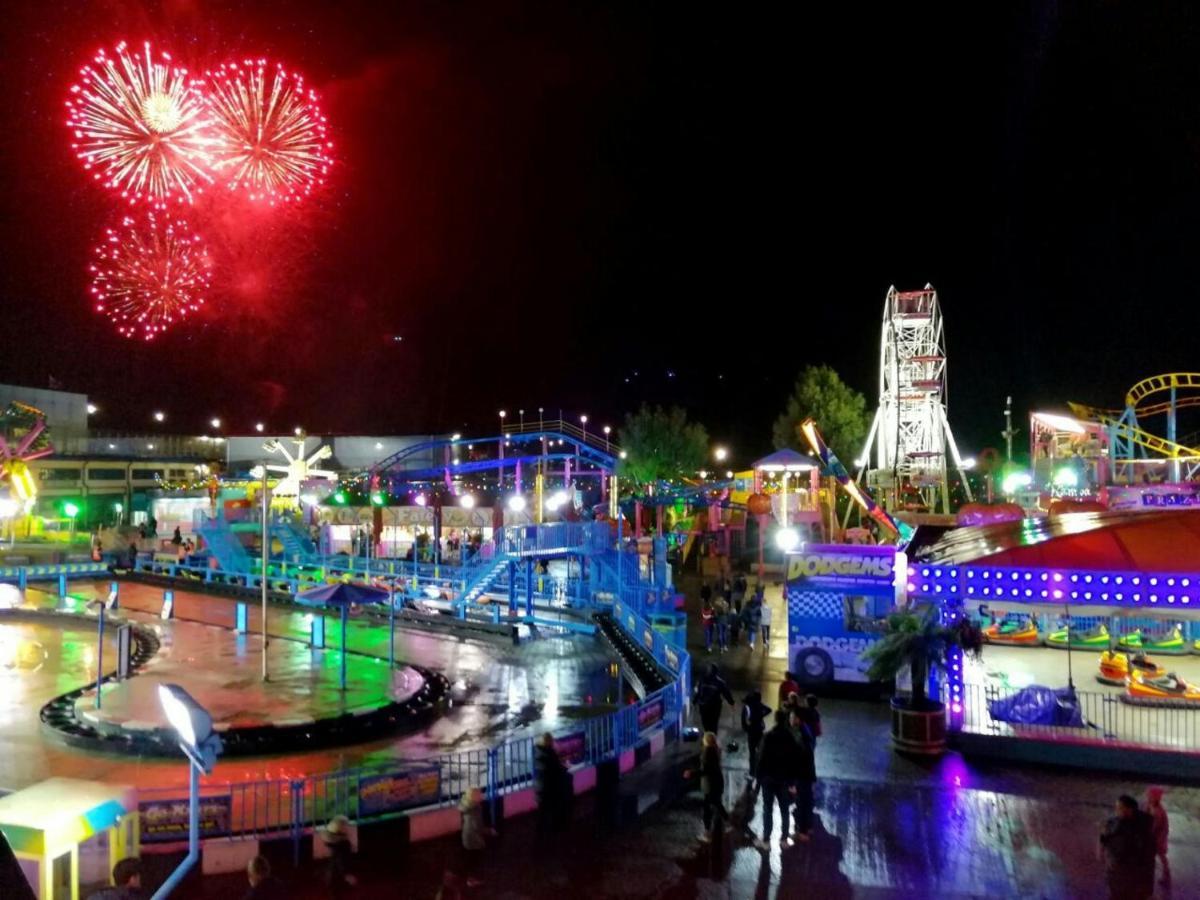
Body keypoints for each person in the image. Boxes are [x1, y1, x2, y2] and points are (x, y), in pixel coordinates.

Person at [755, 711, 798, 850]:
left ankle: (766, 840)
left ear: (775, 720)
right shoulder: (790, 737)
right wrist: (792, 782)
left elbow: (760, 759)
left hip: (768, 779)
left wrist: (758, 778)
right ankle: (784, 839)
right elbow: (794, 761)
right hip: (783, 780)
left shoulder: (768, 736)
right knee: (784, 810)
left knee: (767, 809)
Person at [1099, 794, 1155, 900]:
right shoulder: (1114, 823)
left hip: (1132, 872)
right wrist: (1102, 851)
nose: (1116, 810)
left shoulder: (1142, 828)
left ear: (1130, 809)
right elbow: (1105, 837)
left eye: (1120, 807)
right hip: (1117, 869)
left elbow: (1148, 856)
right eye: (1116, 807)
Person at [788, 708, 818, 843]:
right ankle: (808, 827)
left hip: (802, 776)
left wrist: (793, 781)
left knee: (802, 802)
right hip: (807, 774)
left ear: (797, 719)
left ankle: (802, 832)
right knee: (807, 801)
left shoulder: (801, 735)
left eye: (792, 717)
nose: (790, 719)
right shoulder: (805, 731)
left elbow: (799, 759)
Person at [457, 786, 495, 888]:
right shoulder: (475, 810)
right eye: (479, 795)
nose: (482, 796)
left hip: (467, 838)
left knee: (469, 858)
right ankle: (472, 879)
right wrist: (489, 831)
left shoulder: (467, 807)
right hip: (474, 840)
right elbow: (477, 827)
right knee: (475, 860)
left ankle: (468, 876)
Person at [534, 732, 568, 835]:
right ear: (550, 742)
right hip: (550, 787)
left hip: (540, 787)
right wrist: (564, 767)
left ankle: (540, 832)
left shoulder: (537, 752)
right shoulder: (551, 754)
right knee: (553, 808)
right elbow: (556, 769)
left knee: (542, 811)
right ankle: (553, 830)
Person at [697, 732, 728, 842]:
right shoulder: (716, 749)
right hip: (717, 782)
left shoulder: (707, 752)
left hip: (710, 784)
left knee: (707, 808)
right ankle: (728, 823)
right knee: (717, 803)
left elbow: (705, 770)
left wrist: (691, 773)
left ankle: (707, 832)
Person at [320, 815, 356, 896]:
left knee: (335, 862)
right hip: (337, 879)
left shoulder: (340, 843)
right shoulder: (343, 845)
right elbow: (342, 860)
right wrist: (347, 875)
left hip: (334, 876)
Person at [694, 664, 734, 735]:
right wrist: (731, 703)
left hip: (704, 706)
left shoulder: (703, 680)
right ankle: (712, 738)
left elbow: (699, 693)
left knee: (706, 723)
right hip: (714, 707)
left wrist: (694, 701)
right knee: (713, 724)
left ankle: (708, 737)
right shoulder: (720, 682)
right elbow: (726, 693)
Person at [741, 691, 771, 777]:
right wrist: (761, 715)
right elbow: (769, 710)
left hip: (751, 731)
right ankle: (761, 770)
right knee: (760, 750)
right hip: (759, 731)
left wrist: (746, 728)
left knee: (752, 753)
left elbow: (743, 720)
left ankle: (752, 772)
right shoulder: (760, 705)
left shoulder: (747, 706)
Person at [1145, 786, 1170, 887]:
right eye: (1148, 795)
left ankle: (1166, 875)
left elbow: (1155, 826)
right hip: (1154, 837)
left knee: (1160, 855)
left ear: (1157, 798)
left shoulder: (1159, 811)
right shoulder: (1150, 806)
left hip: (1158, 838)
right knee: (1157, 856)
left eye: (1151, 796)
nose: (1148, 797)